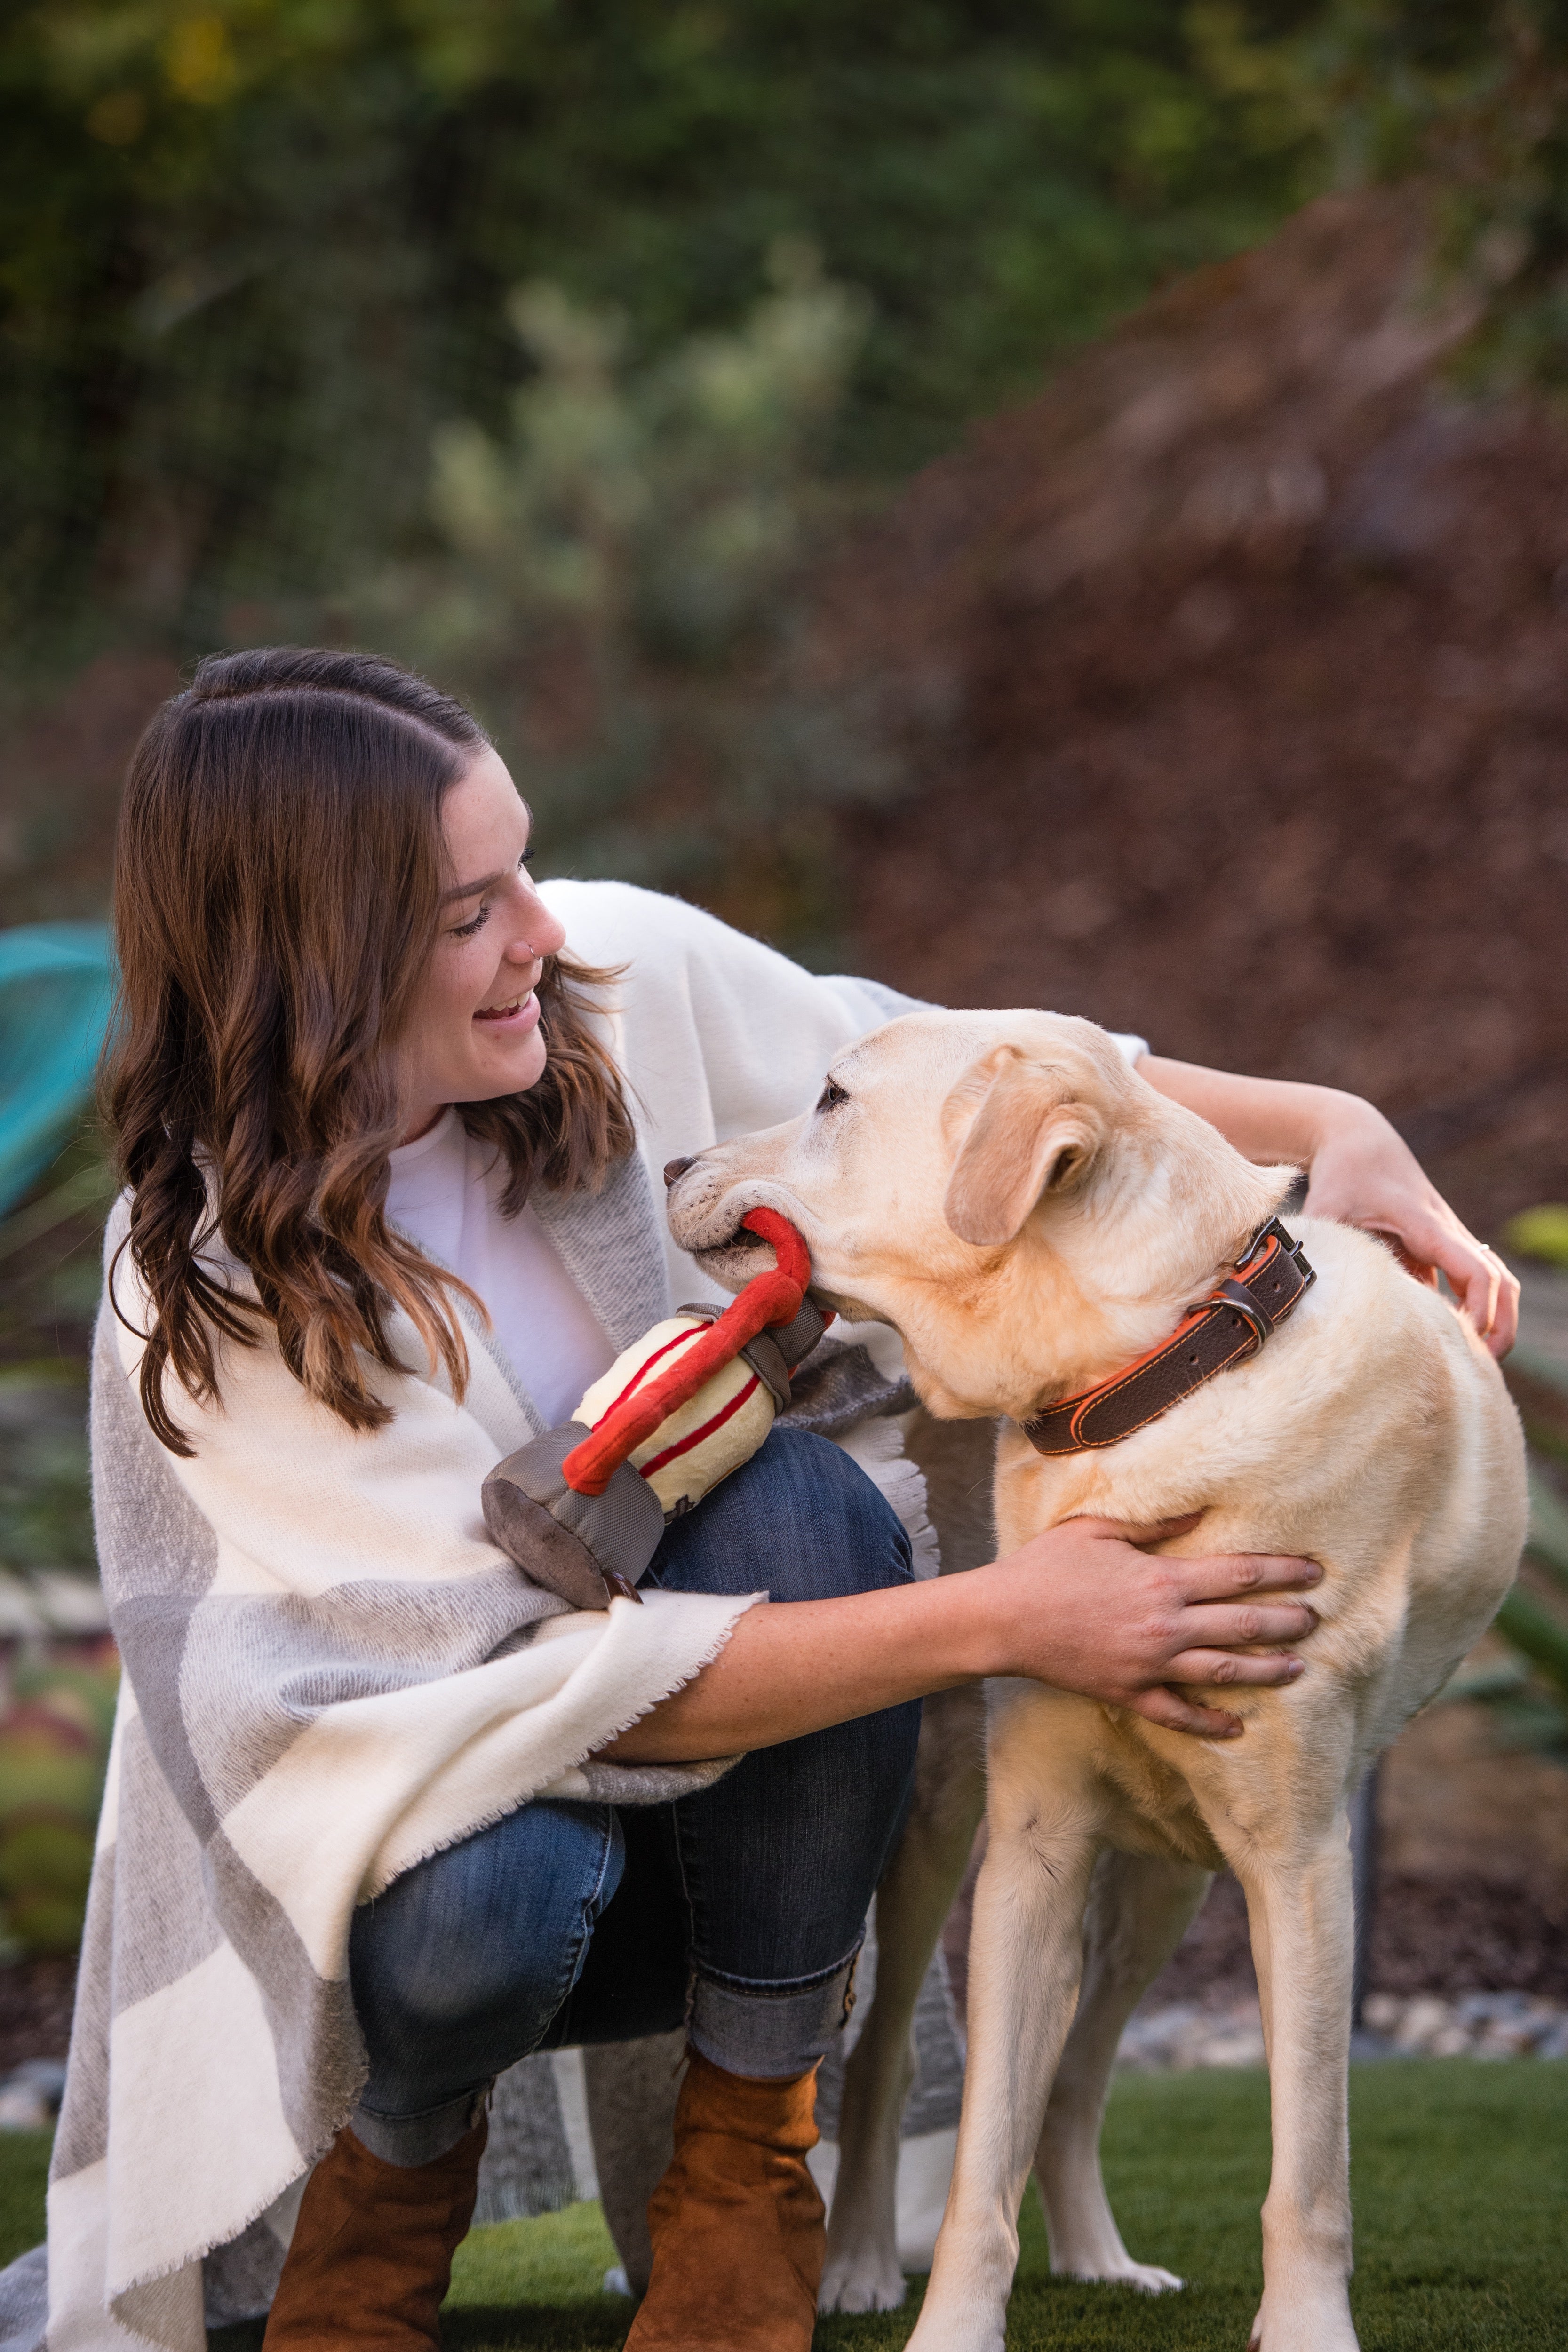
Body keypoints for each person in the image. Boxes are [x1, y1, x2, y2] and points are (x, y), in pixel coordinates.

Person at [27, 647, 1515, 2352]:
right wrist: (1010, 1621)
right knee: (483, 1909)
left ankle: (750, 2158)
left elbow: (956, 1066)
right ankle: (394, 2165)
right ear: (314, 958)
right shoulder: (202, 1287)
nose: (538, 929)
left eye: (524, 862)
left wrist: (1334, 1123)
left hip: (730, 1827)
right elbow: (452, 1705)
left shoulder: (606, 979)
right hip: (424, 1871)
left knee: (801, 1502)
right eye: (465, 911)